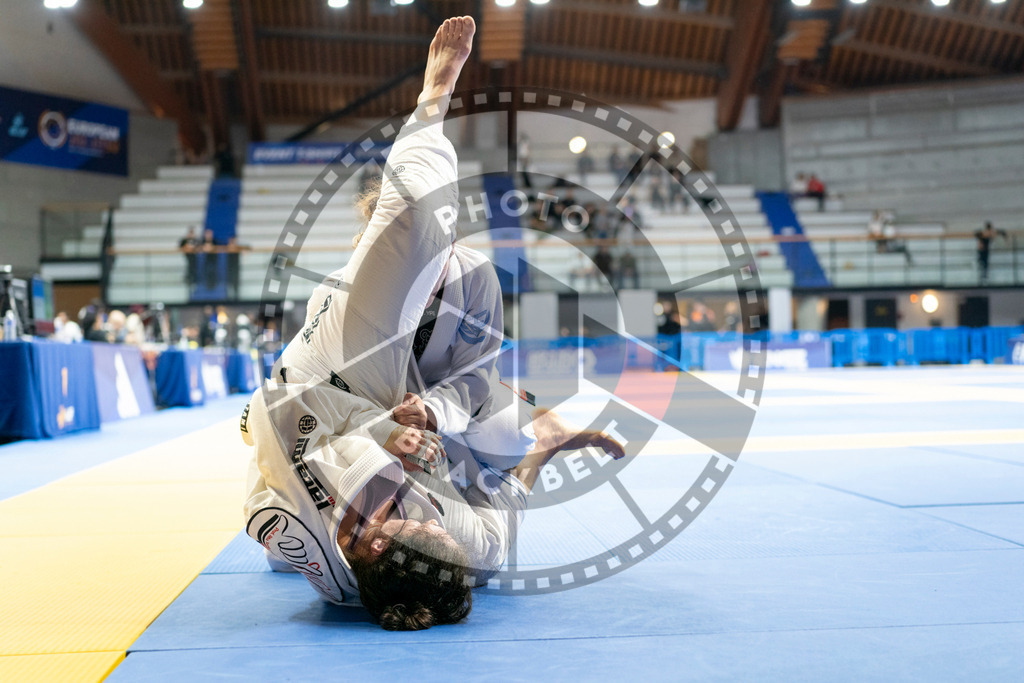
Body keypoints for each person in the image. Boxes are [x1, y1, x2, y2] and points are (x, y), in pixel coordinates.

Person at [244, 16, 622, 632]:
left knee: (417, 216)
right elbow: (478, 393)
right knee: (504, 426)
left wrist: (379, 437)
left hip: (333, 383)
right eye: (434, 524)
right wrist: (523, 443)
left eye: (413, 525)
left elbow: (267, 422)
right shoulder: (463, 547)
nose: (428, 514)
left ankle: (432, 100)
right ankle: (529, 419)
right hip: (419, 402)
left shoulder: (295, 529)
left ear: (368, 547)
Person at [179, 227, 199, 293]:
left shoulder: (196, 240)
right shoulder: (185, 240)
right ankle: (188, 280)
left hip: (194, 258)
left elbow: (199, 247)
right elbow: (180, 246)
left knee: (193, 269)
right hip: (188, 258)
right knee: (189, 269)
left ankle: (193, 281)